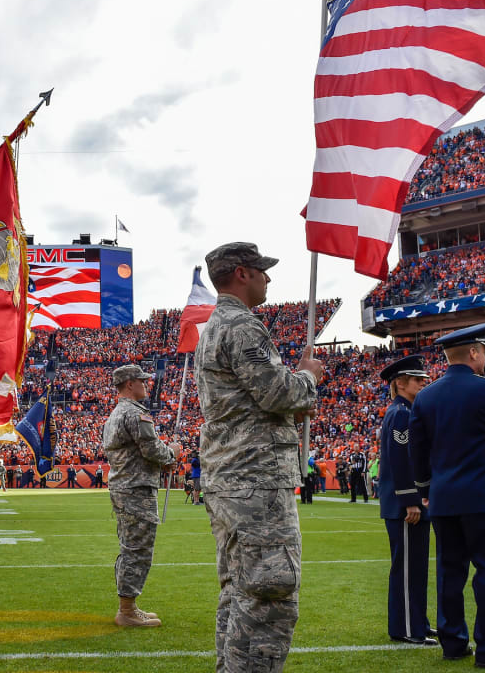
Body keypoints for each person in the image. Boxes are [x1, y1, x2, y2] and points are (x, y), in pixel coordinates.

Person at [194, 242, 322, 673]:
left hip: (231, 479)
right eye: (263, 271)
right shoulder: (242, 327)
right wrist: (308, 377)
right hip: (256, 482)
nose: (269, 278)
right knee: (270, 594)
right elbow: (278, 393)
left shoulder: (214, 327)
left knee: (239, 590)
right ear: (243, 274)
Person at [410, 323, 485, 669]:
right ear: (475, 353)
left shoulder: (426, 396)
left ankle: (452, 643)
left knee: (450, 573)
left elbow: (417, 453)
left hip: (444, 497)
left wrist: (425, 491)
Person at [101, 363, 182, 627]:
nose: (147, 385)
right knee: (138, 549)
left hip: (125, 486)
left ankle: (129, 606)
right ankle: (126, 610)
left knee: (130, 547)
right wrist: (172, 454)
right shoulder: (135, 414)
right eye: (142, 381)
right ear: (129, 384)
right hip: (136, 489)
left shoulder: (115, 414)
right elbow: (151, 450)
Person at [377, 355, 436, 645]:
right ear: (400, 383)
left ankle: (418, 622)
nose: (424, 382)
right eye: (417, 379)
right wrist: (410, 500)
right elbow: (401, 460)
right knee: (407, 569)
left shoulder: (407, 410)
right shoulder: (401, 413)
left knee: (416, 568)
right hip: (405, 505)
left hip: (411, 502)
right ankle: (407, 628)